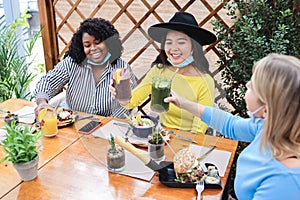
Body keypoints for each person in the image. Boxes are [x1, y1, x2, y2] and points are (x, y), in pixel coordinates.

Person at [164, 53, 300, 199]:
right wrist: (183, 103)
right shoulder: (267, 127)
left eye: (252, 87)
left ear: (267, 109)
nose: (246, 85)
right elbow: (230, 124)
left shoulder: (284, 180)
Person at [110, 12, 217, 133]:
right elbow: (131, 102)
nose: (173, 48)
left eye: (181, 42)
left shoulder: (205, 81)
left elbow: (199, 128)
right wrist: (121, 94)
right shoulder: (158, 71)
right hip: (161, 135)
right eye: (169, 42)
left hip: (188, 139)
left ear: (194, 46)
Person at [34, 18, 137, 118]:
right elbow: (48, 82)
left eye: (97, 43)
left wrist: (104, 125)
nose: (93, 49)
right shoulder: (72, 63)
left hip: (108, 127)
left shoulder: (121, 69)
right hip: (73, 122)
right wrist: (42, 102)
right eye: (87, 45)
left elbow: (127, 105)